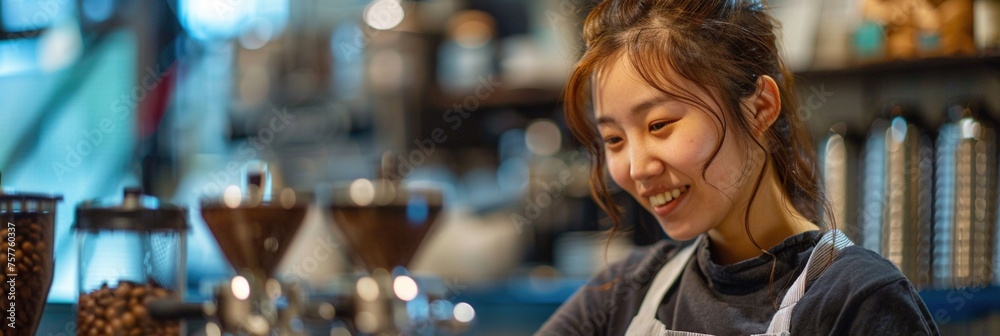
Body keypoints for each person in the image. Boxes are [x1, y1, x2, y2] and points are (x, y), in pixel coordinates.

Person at [537, 0, 940, 335]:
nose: (636, 167)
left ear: (760, 107)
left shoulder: (859, 300)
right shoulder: (625, 292)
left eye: (659, 125)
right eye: (613, 139)